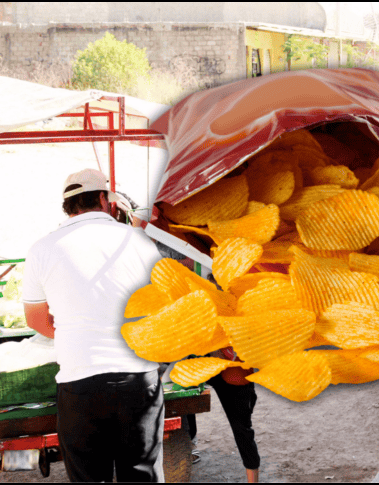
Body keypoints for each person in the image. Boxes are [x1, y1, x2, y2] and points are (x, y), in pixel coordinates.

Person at [22, 168, 165, 482]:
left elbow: (36, 320)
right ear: (104, 199)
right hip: (137, 378)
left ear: (68, 206)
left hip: (80, 382)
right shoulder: (138, 241)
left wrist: (78, 332)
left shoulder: (42, 249)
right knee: (141, 476)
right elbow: (162, 304)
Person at [156, 245, 261, 483]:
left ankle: (252, 478)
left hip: (228, 356)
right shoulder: (169, 251)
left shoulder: (231, 270)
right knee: (177, 395)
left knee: (242, 422)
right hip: (193, 350)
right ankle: (188, 439)